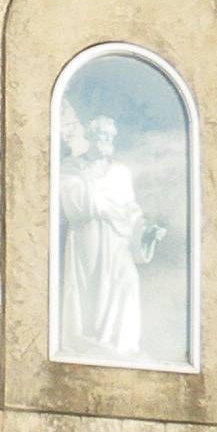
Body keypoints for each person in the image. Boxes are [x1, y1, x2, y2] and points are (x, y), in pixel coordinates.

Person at [56, 109, 164, 362]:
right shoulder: (74, 167)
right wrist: (99, 200)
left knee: (127, 282)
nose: (105, 140)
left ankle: (121, 346)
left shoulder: (120, 172)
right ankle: (92, 340)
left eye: (109, 136)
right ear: (90, 137)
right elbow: (74, 203)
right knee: (95, 288)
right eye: (101, 135)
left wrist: (147, 231)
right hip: (90, 235)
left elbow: (131, 210)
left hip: (119, 240)